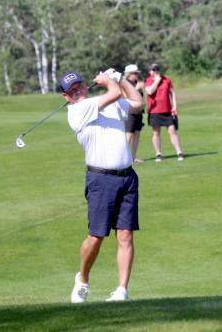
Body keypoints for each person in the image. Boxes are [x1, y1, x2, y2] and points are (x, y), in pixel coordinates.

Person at [59, 69, 143, 303]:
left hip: (127, 177)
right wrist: (110, 81)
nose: (77, 91)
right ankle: (82, 279)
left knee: (125, 235)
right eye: (71, 90)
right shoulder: (77, 110)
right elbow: (114, 93)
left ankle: (122, 290)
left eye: (79, 86)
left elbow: (137, 102)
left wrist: (121, 79)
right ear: (66, 97)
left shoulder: (110, 103)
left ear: (85, 85)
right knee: (96, 236)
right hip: (100, 179)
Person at [144, 63, 184, 162]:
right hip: (154, 111)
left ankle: (179, 152)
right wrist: (157, 81)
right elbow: (149, 91)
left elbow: (172, 93)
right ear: (150, 71)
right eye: (153, 69)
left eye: (157, 69)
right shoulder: (148, 80)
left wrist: (174, 105)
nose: (155, 71)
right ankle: (158, 154)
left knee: (172, 130)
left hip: (167, 110)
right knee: (156, 132)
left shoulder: (167, 80)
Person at [124, 64, 145, 163]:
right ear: (129, 74)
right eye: (135, 73)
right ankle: (123, 158)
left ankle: (133, 157)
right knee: (128, 136)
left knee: (137, 135)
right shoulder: (125, 84)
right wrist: (136, 89)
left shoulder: (136, 83)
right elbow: (125, 97)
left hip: (138, 113)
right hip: (130, 113)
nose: (137, 75)